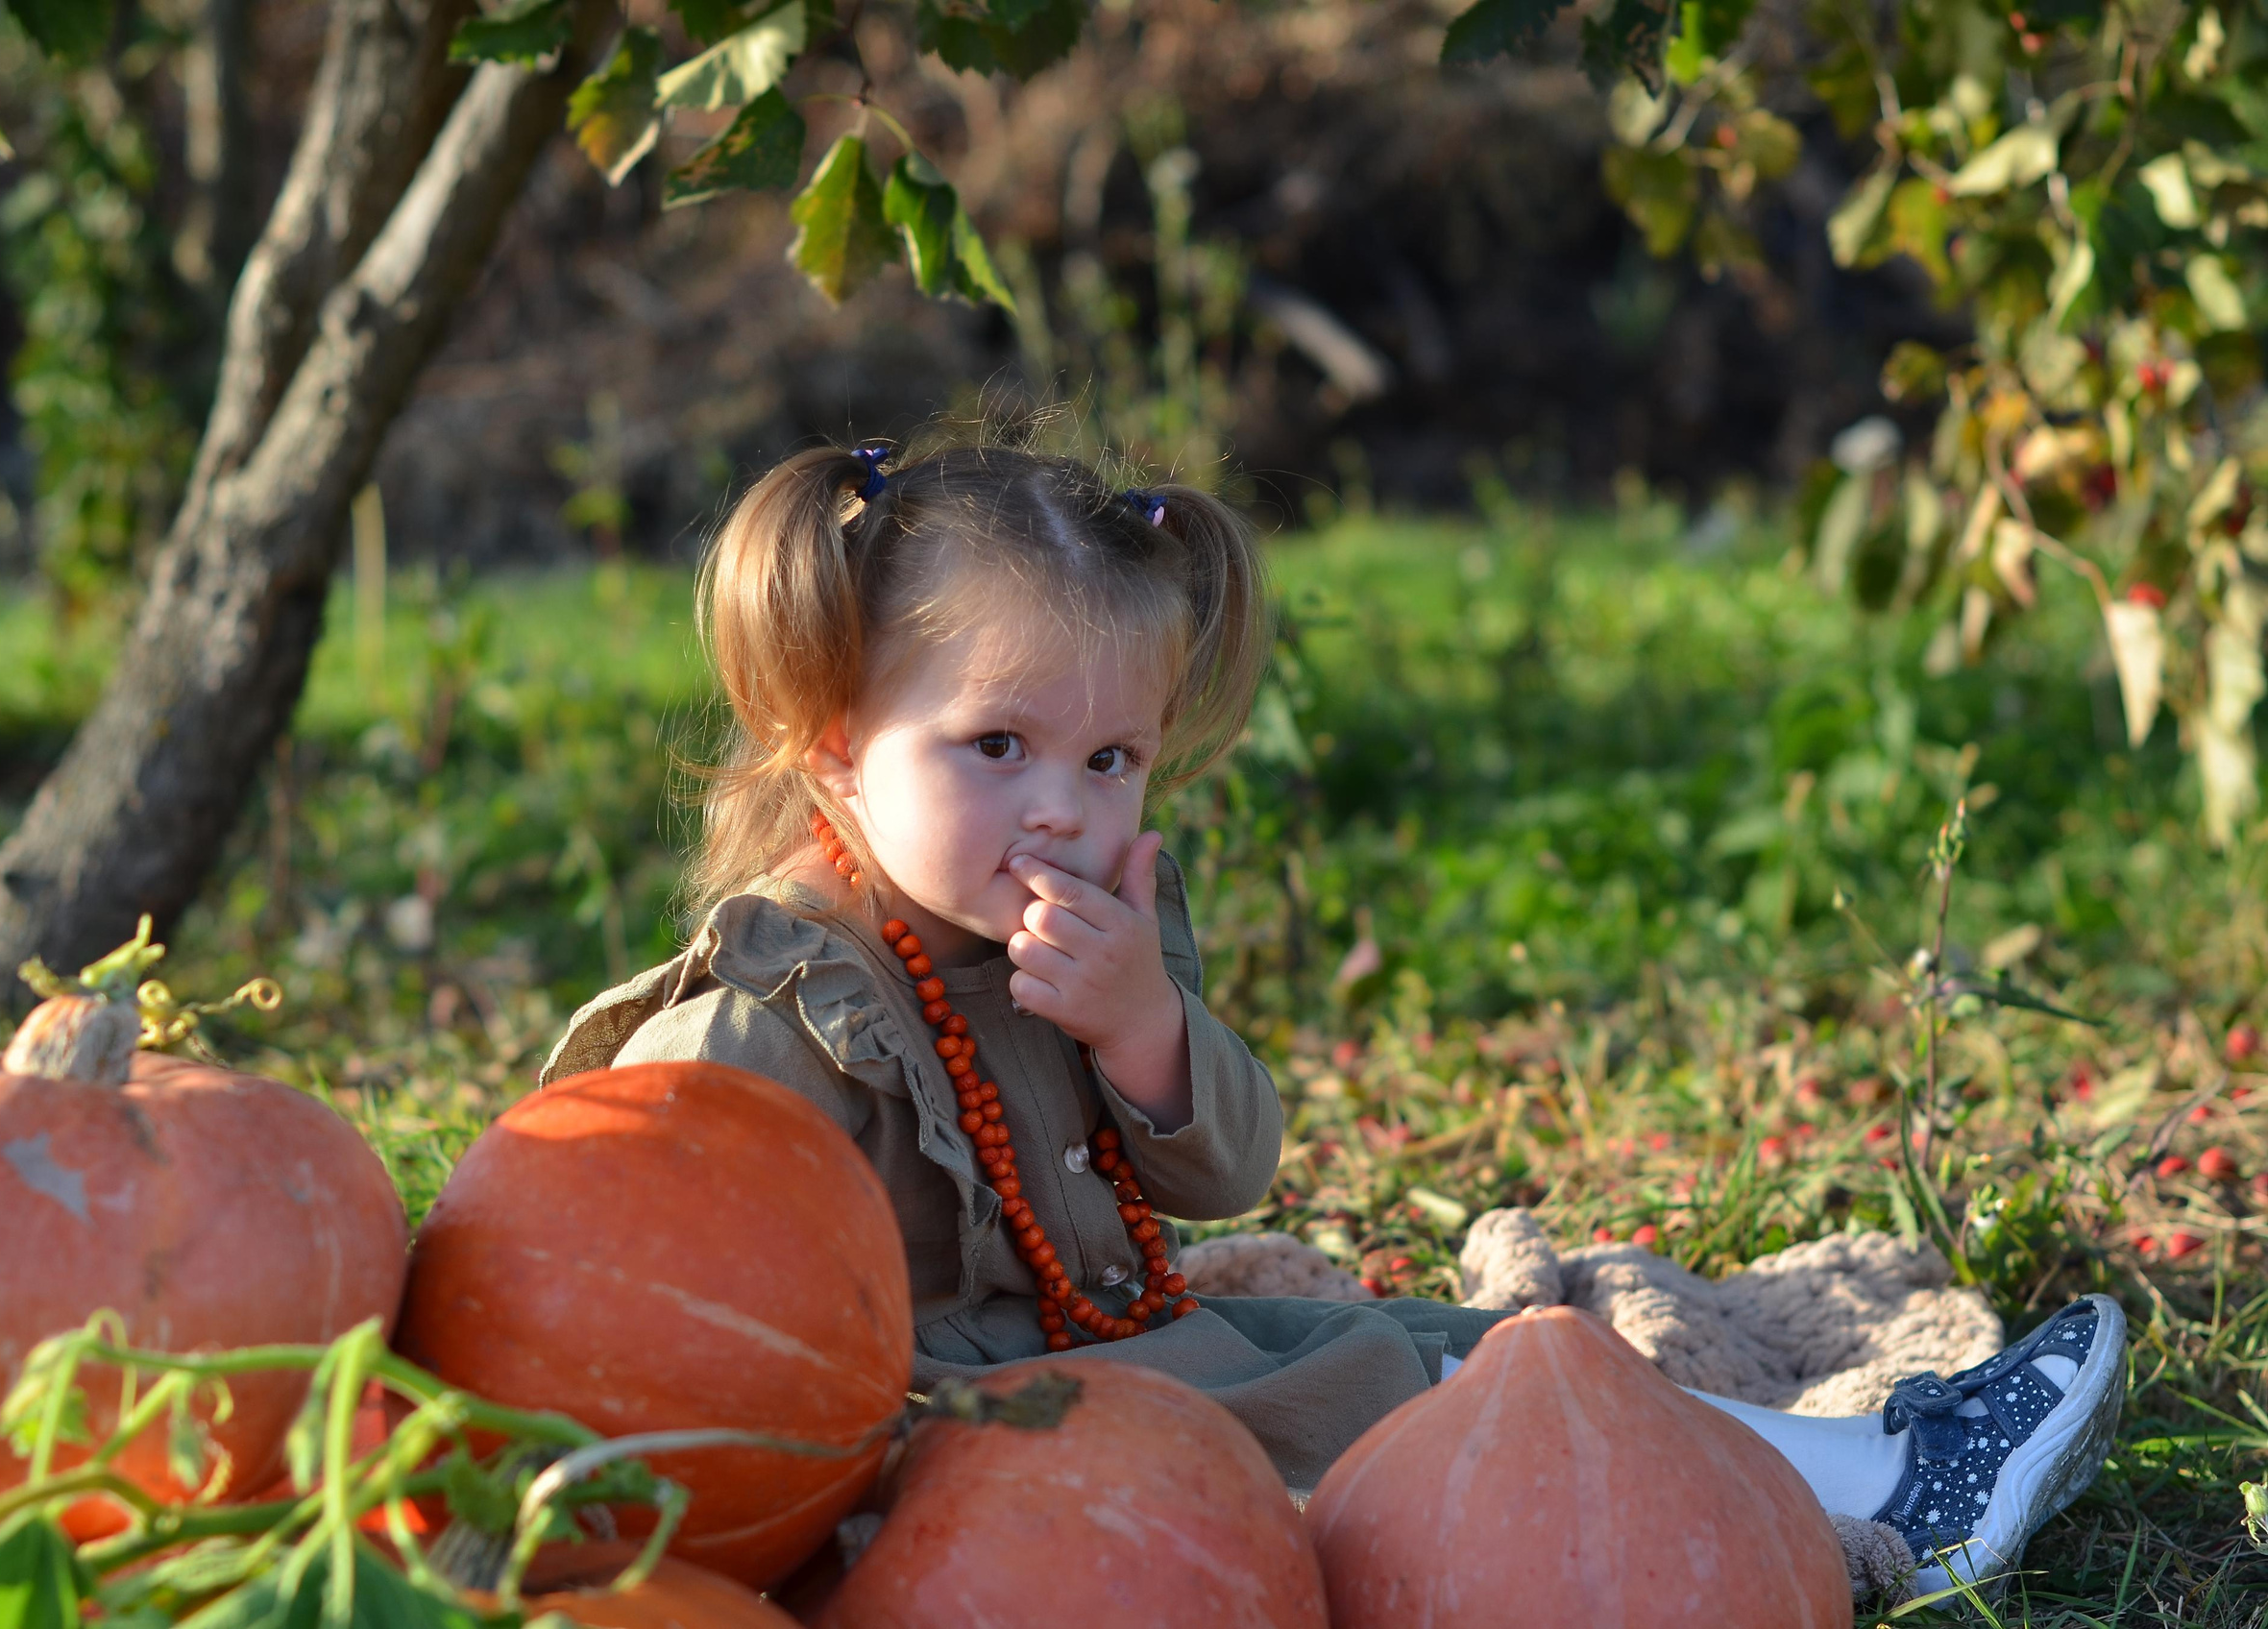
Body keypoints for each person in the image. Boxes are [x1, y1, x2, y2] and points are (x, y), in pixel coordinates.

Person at [539, 434, 2126, 1596]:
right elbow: (634, 1263)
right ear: (831, 749)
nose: (1063, 810)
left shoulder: (1098, 936)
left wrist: (1141, 1027)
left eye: (1110, 761)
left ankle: (1868, 1466)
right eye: (995, 744)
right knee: (1364, 1391)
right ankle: (1881, 1499)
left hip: (1125, 1344)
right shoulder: (778, 1007)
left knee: (1453, 1347)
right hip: (953, 1437)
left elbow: (1222, 1178)